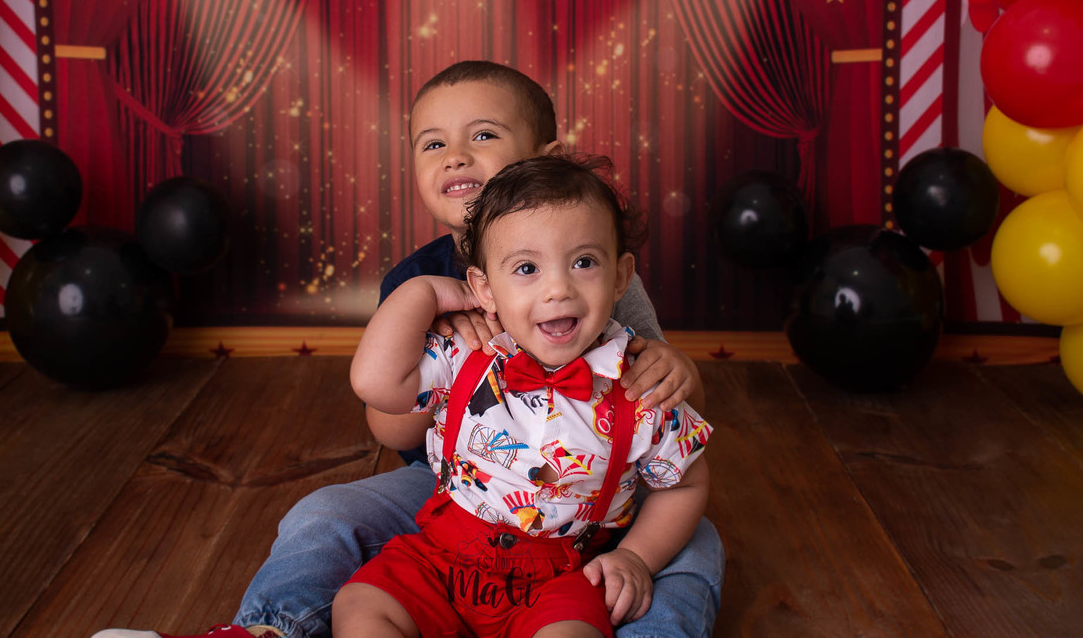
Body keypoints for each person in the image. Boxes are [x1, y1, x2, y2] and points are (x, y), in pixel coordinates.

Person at [91, 61, 723, 638]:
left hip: (589, 510)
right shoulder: (414, 286)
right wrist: (426, 306)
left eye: (483, 135)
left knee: (695, 546)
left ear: (547, 160)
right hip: (450, 491)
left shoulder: (602, 274)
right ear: (480, 286)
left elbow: (666, 398)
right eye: (433, 144)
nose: (455, 157)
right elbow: (387, 418)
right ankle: (274, 630)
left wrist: (678, 369)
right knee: (325, 515)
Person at [335, 153, 711, 637]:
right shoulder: (468, 351)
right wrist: (423, 292)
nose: (557, 289)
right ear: (485, 289)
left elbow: (685, 484)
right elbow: (375, 384)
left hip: (562, 577)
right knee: (360, 603)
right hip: (442, 556)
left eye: (583, 262)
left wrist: (636, 557)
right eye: (527, 268)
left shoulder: (640, 385)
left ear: (620, 277)